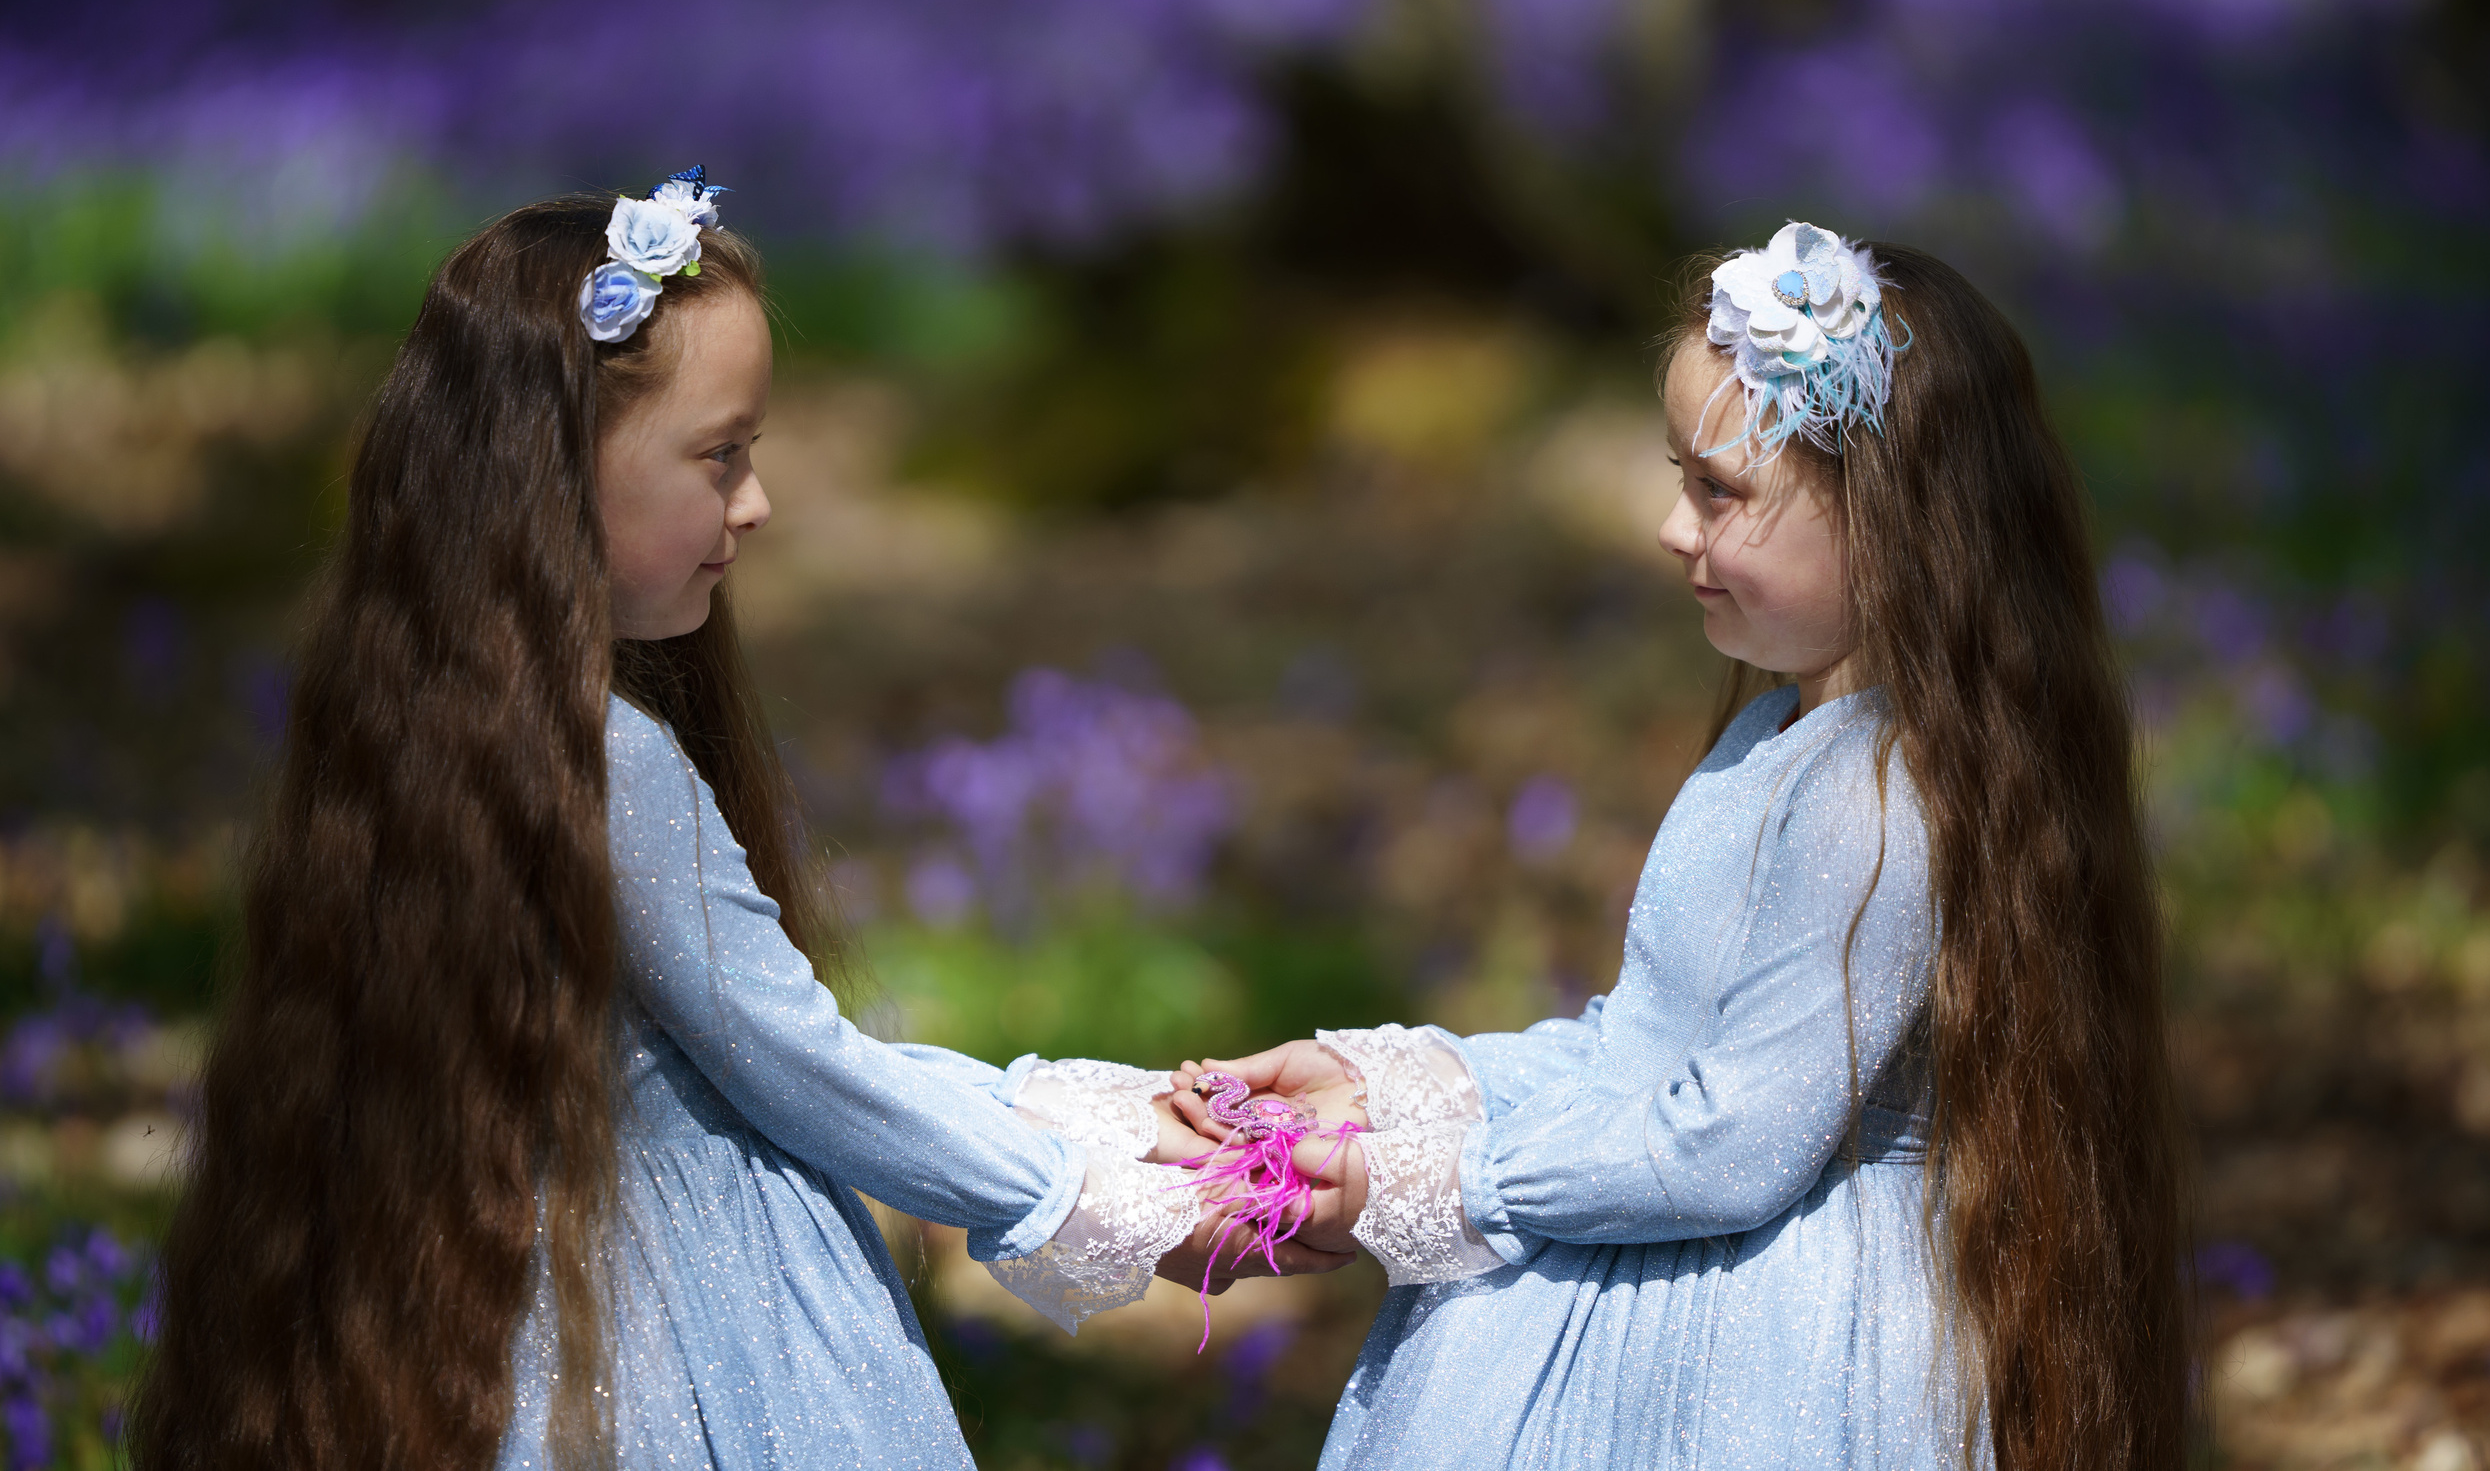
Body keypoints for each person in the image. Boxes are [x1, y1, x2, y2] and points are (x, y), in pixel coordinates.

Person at [127, 176, 1345, 1471]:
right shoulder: (609, 760)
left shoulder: (425, 717)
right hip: (692, 1326)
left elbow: (775, 1044)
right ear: (556, 470)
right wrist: (1080, 1184)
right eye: (722, 455)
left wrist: (1094, 1114)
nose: (755, 504)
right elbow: (799, 1060)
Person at [1178, 224, 2190, 1470]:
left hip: (1772, 1347)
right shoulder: (1781, 739)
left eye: (1720, 490)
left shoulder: (1873, 800)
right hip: (1695, 1266)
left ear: (1892, 515)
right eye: (1679, 478)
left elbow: (1724, 1146)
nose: (1670, 527)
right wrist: (1397, 1084)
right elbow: (1643, 1050)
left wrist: (1428, 1184)